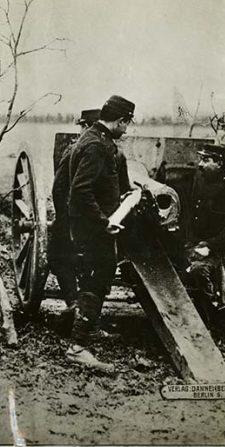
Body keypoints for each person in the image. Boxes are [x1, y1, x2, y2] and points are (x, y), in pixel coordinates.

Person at [66, 95, 135, 371]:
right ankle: (77, 347)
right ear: (120, 120)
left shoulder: (94, 138)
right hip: (93, 230)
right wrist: (104, 221)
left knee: (97, 279)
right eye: (127, 123)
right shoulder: (97, 145)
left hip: (91, 227)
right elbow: (81, 190)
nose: (127, 129)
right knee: (96, 280)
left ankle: (87, 332)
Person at [184, 144, 225, 321]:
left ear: (219, 163)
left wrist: (209, 247)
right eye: (200, 159)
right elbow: (191, 214)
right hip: (195, 241)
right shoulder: (200, 180)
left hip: (217, 246)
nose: (200, 164)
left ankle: (207, 316)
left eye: (205, 160)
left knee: (198, 270)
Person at [48, 109, 100, 307]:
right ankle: (74, 303)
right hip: (79, 216)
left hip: (87, 216)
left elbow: (59, 187)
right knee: (64, 257)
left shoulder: (86, 149)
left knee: (71, 258)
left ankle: (80, 305)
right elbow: (59, 188)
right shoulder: (77, 151)